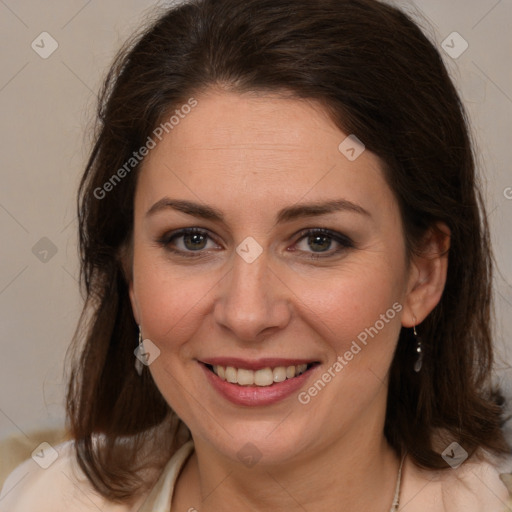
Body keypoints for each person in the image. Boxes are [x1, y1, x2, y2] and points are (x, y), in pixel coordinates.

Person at [1, 0, 511, 510]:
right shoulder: (42, 497)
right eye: (192, 239)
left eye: (318, 240)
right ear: (130, 271)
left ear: (421, 275)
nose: (247, 315)